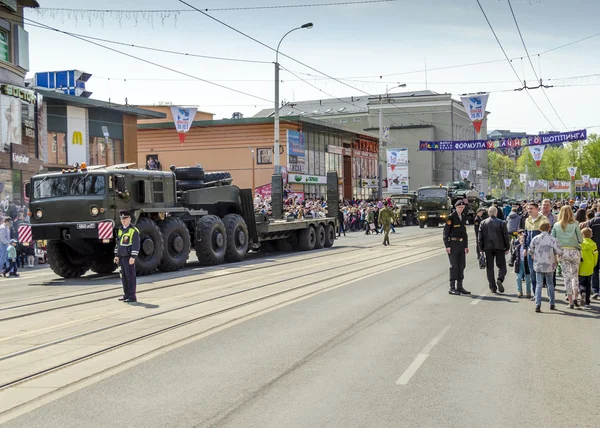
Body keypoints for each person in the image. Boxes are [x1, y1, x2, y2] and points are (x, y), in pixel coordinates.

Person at [552, 205, 583, 309]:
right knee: (575, 275)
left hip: (562, 252)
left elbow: (553, 239)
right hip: (574, 252)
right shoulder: (575, 224)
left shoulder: (556, 225)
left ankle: (570, 301)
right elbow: (580, 240)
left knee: (566, 276)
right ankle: (576, 297)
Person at [530, 221, 562, 313]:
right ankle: (552, 303)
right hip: (549, 264)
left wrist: (533, 254)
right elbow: (559, 251)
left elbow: (530, 250)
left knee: (539, 284)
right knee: (550, 284)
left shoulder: (535, 238)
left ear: (539, 229)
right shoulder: (552, 239)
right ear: (549, 228)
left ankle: (538, 304)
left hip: (539, 264)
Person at [478, 206, 510, 294]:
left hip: (487, 248)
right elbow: (506, 236)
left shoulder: (483, 223)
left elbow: (480, 238)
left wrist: (481, 249)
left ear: (488, 213)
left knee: (489, 267)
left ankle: (493, 287)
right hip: (499, 247)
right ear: (496, 213)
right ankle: (500, 278)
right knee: (502, 266)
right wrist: (507, 247)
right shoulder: (502, 222)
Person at [443, 200, 470, 295]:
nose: (461, 209)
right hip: (453, 244)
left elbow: (464, 233)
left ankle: (460, 286)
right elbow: (446, 232)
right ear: (456, 207)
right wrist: (447, 246)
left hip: (461, 244)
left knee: (461, 265)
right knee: (454, 266)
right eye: (459, 207)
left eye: (462, 208)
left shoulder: (463, 217)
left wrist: (466, 246)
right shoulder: (451, 217)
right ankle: (452, 287)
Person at [113, 210, 140, 303]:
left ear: (129, 219)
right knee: (124, 277)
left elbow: (136, 245)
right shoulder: (121, 230)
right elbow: (118, 243)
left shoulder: (133, 230)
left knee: (130, 277)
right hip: (122, 257)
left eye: (124, 218)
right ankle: (126, 294)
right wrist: (116, 255)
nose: (123, 220)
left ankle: (132, 296)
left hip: (129, 257)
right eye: (121, 219)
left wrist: (133, 257)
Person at [524, 202, 548, 299]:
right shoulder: (527, 220)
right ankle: (536, 294)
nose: (529, 210)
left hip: (542, 252)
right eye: (528, 208)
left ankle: (549, 292)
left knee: (545, 273)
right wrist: (525, 248)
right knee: (532, 272)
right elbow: (525, 235)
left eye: (531, 208)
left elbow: (546, 235)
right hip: (531, 251)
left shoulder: (543, 219)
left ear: (537, 209)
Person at [578, 227, 597, 310]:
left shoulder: (579, 244)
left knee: (580, 282)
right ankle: (587, 301)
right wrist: (594, 264)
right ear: (591, 235)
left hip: (581, 266)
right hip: (589, 266)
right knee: (588, 284)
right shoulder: (593, 244)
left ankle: (582, 291)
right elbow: (596, 256)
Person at [509, 231, 531, 298]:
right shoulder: (517, 247)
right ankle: (519, 291)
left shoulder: (528, 248)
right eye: (521, 240)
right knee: (518, 278)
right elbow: (513, 255)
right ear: (519, 240)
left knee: (527, 278)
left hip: (526, 264)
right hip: (519, 264)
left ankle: (528, 292)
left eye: (524, 240)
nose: (522, 241)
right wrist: (511, 261)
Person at [588, 206, 600, 299]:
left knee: (595, 270)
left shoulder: (592, 221)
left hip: (594, 249)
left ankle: (595, 290)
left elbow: (588, 235)